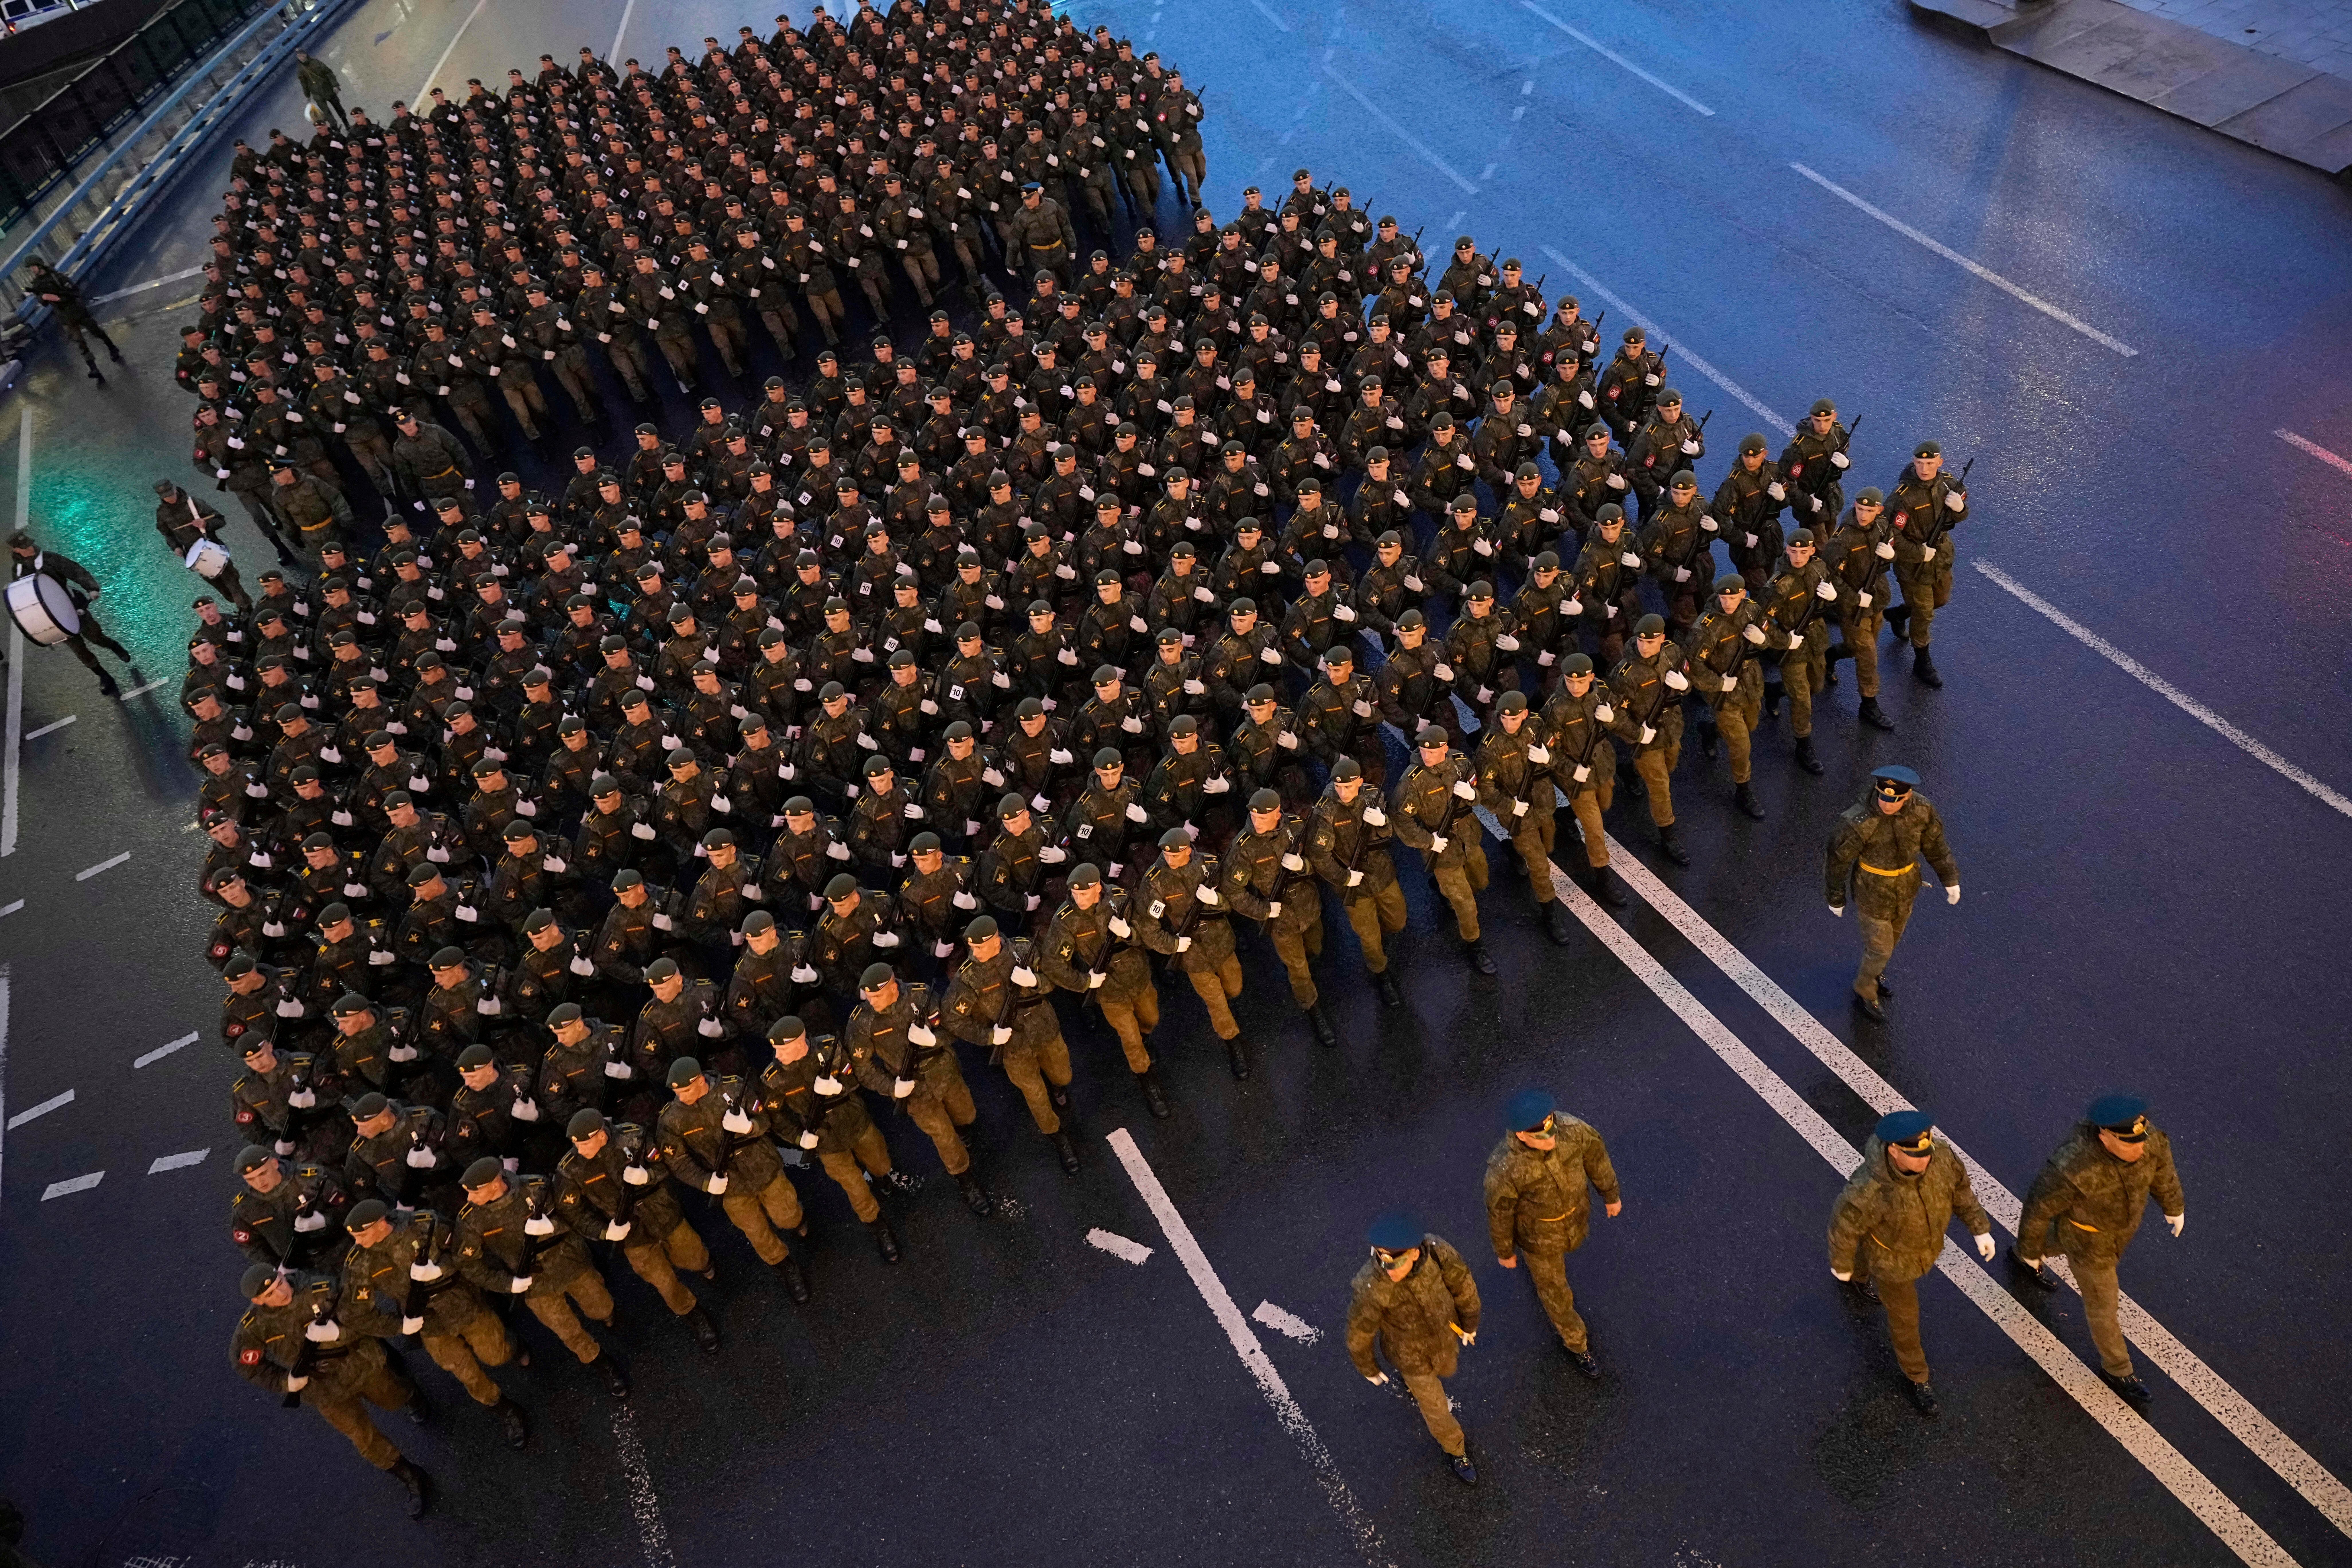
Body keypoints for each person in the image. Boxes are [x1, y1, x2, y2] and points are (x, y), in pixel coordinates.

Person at [2012, 1094, 2185, 1405]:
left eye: (2141, 1140)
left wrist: (2173, 1206)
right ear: (2104, 1136)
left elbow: (2162, 1168)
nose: (2140, 1149)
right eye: (2130, 1144)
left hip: (2118, 1230)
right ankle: (2118, 1369)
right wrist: (2029, 1246)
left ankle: (2024, 1258)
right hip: (2089, 1244)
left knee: (2051, 1241)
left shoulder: (2146, 1139)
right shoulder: (2072, 1166)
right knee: (2103, 1306)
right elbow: (2038, 1208)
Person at [1825, 1109, 1994, 1417]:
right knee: (1905, 1320)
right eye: (1915, 1156)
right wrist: (1840, 1262)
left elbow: (1961, 1192)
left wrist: (1979, 1228)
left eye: (1926, 1152)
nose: (1924, 1160)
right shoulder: (1869, 1189)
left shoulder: (1940, 1157)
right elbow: (1844, 1225)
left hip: (1922, 1246)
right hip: (1892, 1260)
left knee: (1863, 1249)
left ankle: (1858, 1277)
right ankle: (1917, 1376)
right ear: (1893, 1150)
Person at [230, 1262, 431, 1515]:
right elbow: (247, 1365)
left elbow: (363, 1317)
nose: (281, 1293)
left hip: (361, 1365)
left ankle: (412, 1396)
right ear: (258, 1301)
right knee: (363, 1439)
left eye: (280, 1283)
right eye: (270, 1295)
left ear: (282, 1275)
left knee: (392, 1398)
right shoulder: (254, 1328)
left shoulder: (321, 1288)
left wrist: (338, 1334)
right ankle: (410, 1476)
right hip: (323, 1390)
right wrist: (285, 1382)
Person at [338, 1197, 530, 1450]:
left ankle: (512, 1346)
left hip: (461, 1303)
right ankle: (504, 1408)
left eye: (362, 1234)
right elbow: (355, 1313)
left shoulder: (424, 1224)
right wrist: (399, 1326)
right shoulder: (359, 1262)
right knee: (465, 1372)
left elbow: (466, 1249)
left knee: (496, 1355)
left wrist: (441, 1269)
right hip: (426, 1322)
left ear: (381, 1223)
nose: (357, 1242)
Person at [1482, 1088, 1620, 1377]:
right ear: (1520, 1135)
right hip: (1538, 1238)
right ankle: (1576, 1343)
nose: (1552, 1139)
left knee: (1556, 1281)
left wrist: (1610, 1194)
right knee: (1555, 1290)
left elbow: (1597, 1158)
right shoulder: (1505, 1168)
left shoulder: (1573, 1129)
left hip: (1574, 1220)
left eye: (1551, 1128)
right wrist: (1505, 1251)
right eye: (1540, 1135)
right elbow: (1500, 1213)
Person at [1345, 1213, 1482, 1485]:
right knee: (1436, 1407)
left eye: (1396, 1262)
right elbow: (1359, 1332)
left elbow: (1462, 1285)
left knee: (1447, 1369)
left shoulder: (1437, 1252)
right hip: (1409, 1356)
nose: (1389, 1270)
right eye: (1383, 1260)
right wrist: (1368, 1368)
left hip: (1444, 1338)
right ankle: (1456, 1449)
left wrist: (1470, 1323)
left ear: (1415, 1253)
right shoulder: (1372, 1286)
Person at [1823, 764, 1960, 1021]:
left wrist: (1949, 879)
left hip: (1906, 889)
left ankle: (1874, 972)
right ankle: (1865, 989)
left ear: (1907, 796)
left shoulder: (1922, 810)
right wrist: (1835, 897)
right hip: (1871, 894)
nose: (1887, 804)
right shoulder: (1859, 822)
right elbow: (1837, 860)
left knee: (1891, 942)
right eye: (1884, 797)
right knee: (1880, 950)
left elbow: (1936, 847)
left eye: (1895, 800)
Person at [7, 530, 136, 695]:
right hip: (53, 620)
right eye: (25, 547)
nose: (30, 548)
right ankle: (105, 677)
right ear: (16, 550)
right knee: (81, 652)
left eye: (30, 544)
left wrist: (91, 587)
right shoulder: (17, 571)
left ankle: (114, 646)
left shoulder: (50, 559)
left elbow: (74, 570)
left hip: (73, 606)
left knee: (95, 637)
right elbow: (23, 598)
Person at [153, 479, 251, 611]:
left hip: (212, 547)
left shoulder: (194, 503)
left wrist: (206, 524)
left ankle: (247, 611)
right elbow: (167, 534)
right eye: (166, 497)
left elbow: (220, 520)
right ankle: (243, 605)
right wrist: (175, 547)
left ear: (175, 490)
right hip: (194, 556)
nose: (170, 498)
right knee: (224, 589)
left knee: (232, 582)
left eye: (171, 494)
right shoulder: (162, 514)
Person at [21, 261, 120, 381]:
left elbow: (74, 290)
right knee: (80, 343)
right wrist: (43, 297)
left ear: (40, 266)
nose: (32, 270)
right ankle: (94, 369)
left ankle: (112, 348)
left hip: (77, 310)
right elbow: (45, 303)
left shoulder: (57, 277)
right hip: (65, 317)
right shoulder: (37, 285)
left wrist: (62, 298)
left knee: (96, 332)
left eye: (33, 266)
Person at [294, 50, 350, 130]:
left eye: (301, 55)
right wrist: (307, 96)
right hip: (318, 95)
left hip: (328, 90)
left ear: (306, 55)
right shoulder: (301, 70)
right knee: (327, 114)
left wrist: (335, 85)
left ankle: (346, 124)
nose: (300, 58)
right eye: (298, 57)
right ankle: (336, 129)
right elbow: (304, 84)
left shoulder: (316, 63)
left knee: (339, 108)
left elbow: (329, 73)